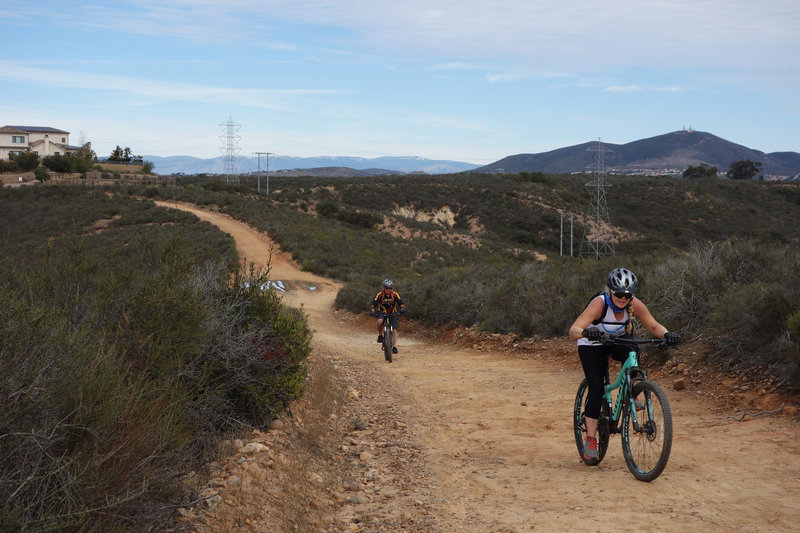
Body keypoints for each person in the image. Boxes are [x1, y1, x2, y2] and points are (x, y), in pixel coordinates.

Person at [568, 267, 679, 463]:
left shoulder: (634, 305)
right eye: (618, 293)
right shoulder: (599, 304)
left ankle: (630, 393)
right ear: (610, 290)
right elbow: (574, 329)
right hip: (592, 345)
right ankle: (591, 439)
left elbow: (653, 326)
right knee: (596, 388)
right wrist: (587, 332)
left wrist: (667, 334)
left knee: (633, 350)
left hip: (616, 341)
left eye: (627, 295)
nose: (622, 298)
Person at [370, 279, 405, 354]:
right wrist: (372, 311)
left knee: (395, 330)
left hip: (392, 313)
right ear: (383, 288)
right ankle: (380, 335)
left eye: (390, 288)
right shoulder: (380, 294)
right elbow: (373, 303)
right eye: (387, 288)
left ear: (392, 288)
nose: (388, 290)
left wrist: (402, 308)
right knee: (379, 321)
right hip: (382, 312)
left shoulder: (395, 294)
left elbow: (400, 302)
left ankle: (395, 346)